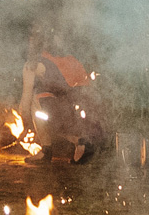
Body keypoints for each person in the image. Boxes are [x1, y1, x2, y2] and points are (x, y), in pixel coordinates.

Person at [20, 23, 107, 165]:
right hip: (91, 112)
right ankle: (83, 141)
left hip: (76, 113)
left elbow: (26, 99)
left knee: (37, 99)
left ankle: (60, 147)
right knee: (48, 99)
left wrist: (26, 124)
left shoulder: (33, 64)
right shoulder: (69, 58)